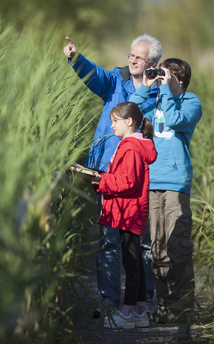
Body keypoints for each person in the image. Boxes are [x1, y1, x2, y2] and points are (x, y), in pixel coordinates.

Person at [64, 35, 162, 317]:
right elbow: (95, 76)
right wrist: (75, 58)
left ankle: (144, 301)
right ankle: (109, 301)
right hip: (107, 169)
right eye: (130, 55)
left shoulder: (157, 94)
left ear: (151, 63)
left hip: (138, 177)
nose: (131, 60)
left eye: (138, 58)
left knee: (140, 243)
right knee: (108, 240)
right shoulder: (115, 81)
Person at [130, 58, 202, 323]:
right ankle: (165, 308)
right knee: (158, 249)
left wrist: (166, 89)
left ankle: (181, 309)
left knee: (177, 247)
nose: (161, 79)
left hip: (175, 183)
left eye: (166, 75)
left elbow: (173, 119)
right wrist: (146, 87)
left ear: (179, 80)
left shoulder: (190, 102)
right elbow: (129, 116)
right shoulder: (155, 101)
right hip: (152, 183)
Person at [89, 102, 157, 329]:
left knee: (131, 264)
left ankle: (127, 315)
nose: (111, 125)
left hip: (128, 211)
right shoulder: (133, 145)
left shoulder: (129, 147)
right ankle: (139, 313)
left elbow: (127, 182)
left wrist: (100, 180)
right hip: (132, 210)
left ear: (129, 122)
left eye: (115, 120)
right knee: (136, 260)